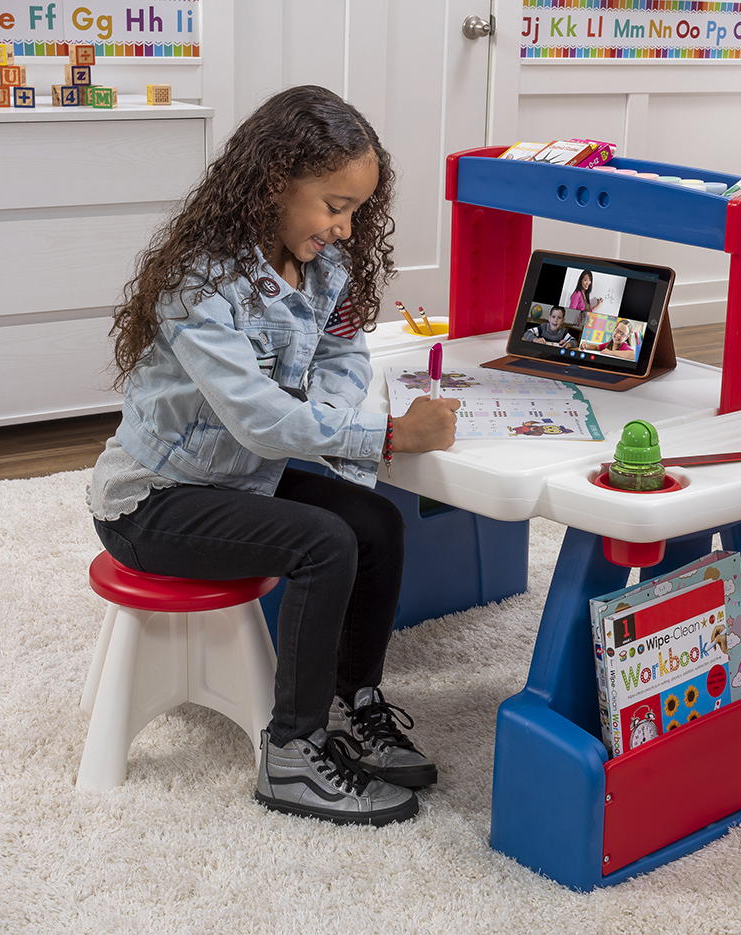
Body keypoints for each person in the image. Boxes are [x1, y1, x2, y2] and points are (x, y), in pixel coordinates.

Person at [87, 85, 461, 828]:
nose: (347, 228)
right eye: (332, 205)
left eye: (357, 209)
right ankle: (291, 752)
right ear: (272, 183)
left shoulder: (326, 275)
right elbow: (260, 421)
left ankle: (355, 702)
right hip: (154, 501)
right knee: (322, 543)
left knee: (375, 523)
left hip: (242, 482)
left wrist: (325, 421)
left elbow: (344, 363)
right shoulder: (200, 282)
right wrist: (389, 437)